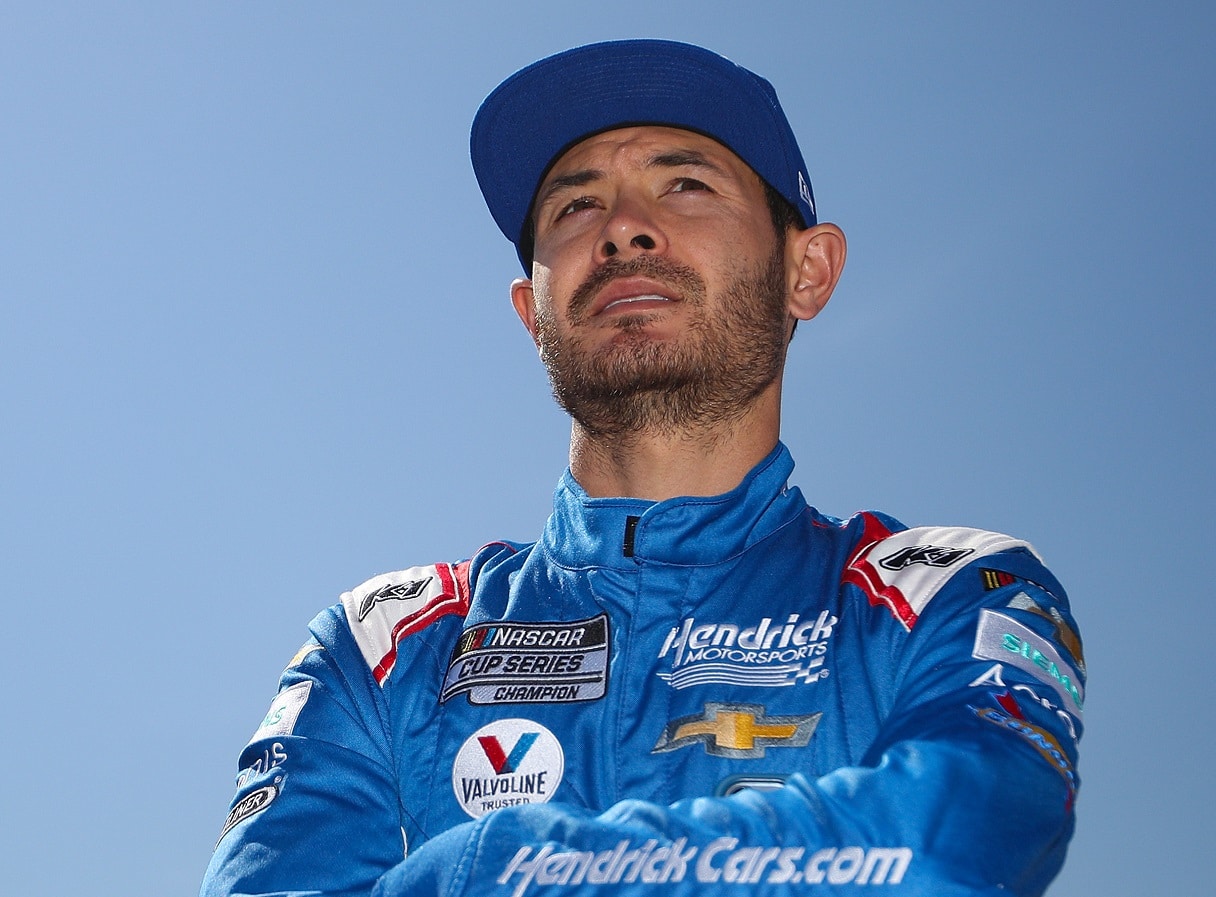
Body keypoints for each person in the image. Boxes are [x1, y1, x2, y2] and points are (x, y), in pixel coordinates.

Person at [200, 39, 1083, 897]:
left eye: (685, 184)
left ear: (806, 270)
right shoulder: (381, 646)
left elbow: (951, 847)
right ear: (531, 312)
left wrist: (496, 869)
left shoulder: (952, 591)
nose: (623, 228)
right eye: (575, 207)